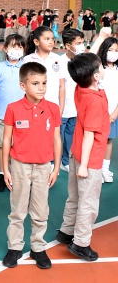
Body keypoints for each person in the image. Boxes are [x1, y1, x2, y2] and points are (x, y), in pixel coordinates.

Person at [1, 61, 62, 269]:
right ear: (23, 86)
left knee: (40, 211)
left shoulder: (53, 108)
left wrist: (55, 168)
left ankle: (38, 247)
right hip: (19, 166)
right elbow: (6, 140)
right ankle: (15, 247)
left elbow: (56, 139)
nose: (41, 88)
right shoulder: (13, 108)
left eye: (44, 83)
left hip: (44, 166)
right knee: (17, 209)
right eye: (35, 83)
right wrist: (6, 169)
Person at [56, 53, 109, 262]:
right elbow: (90, 134)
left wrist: (102, 38)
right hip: (90, 159)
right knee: (88, 203)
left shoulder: (81, 88)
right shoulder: (94, 100)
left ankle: (66, 231)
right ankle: (80, 243)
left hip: (76, 153)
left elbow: (85, 63)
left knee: (74, 197)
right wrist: (85, 166)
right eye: (100, 66)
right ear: (95, 75)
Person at [0, 34, 26, 192]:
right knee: (2, 145)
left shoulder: (26, 67)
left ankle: (17, 174)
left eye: (19, 47)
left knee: (19, 144)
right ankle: (2, 173)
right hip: (1, 114)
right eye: (13, 46)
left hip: (22, 114)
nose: (16, 50)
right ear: (5, 49)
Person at [58, 29, 85, 173]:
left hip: (76, 108)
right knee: (57, 137)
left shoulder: (82, 61)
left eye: (83, 42)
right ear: (68, 46)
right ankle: (51, 163)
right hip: (62, 108)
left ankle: (65, 161)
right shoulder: (60, 62)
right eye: (78, 43)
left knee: (70, 136)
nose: (82, 46)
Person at [23, 26, 65, 115]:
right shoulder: (28, 60)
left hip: (53, 106)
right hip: (33, 107)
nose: (51, 42)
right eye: (46, 39)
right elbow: (25, 86)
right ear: (36, 42)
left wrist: (61, 108)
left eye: (52, 39)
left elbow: (61, 86)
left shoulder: (58, 59)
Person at [97, 37, 118, 183]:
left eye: (116, 51)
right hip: (99, 113)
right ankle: (97, 169)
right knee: (98, 140)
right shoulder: (99, 68)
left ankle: (105, 168)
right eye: (110, 50)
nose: (113, 53)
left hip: (113, 113)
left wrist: (115, 113)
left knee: (109, 140)